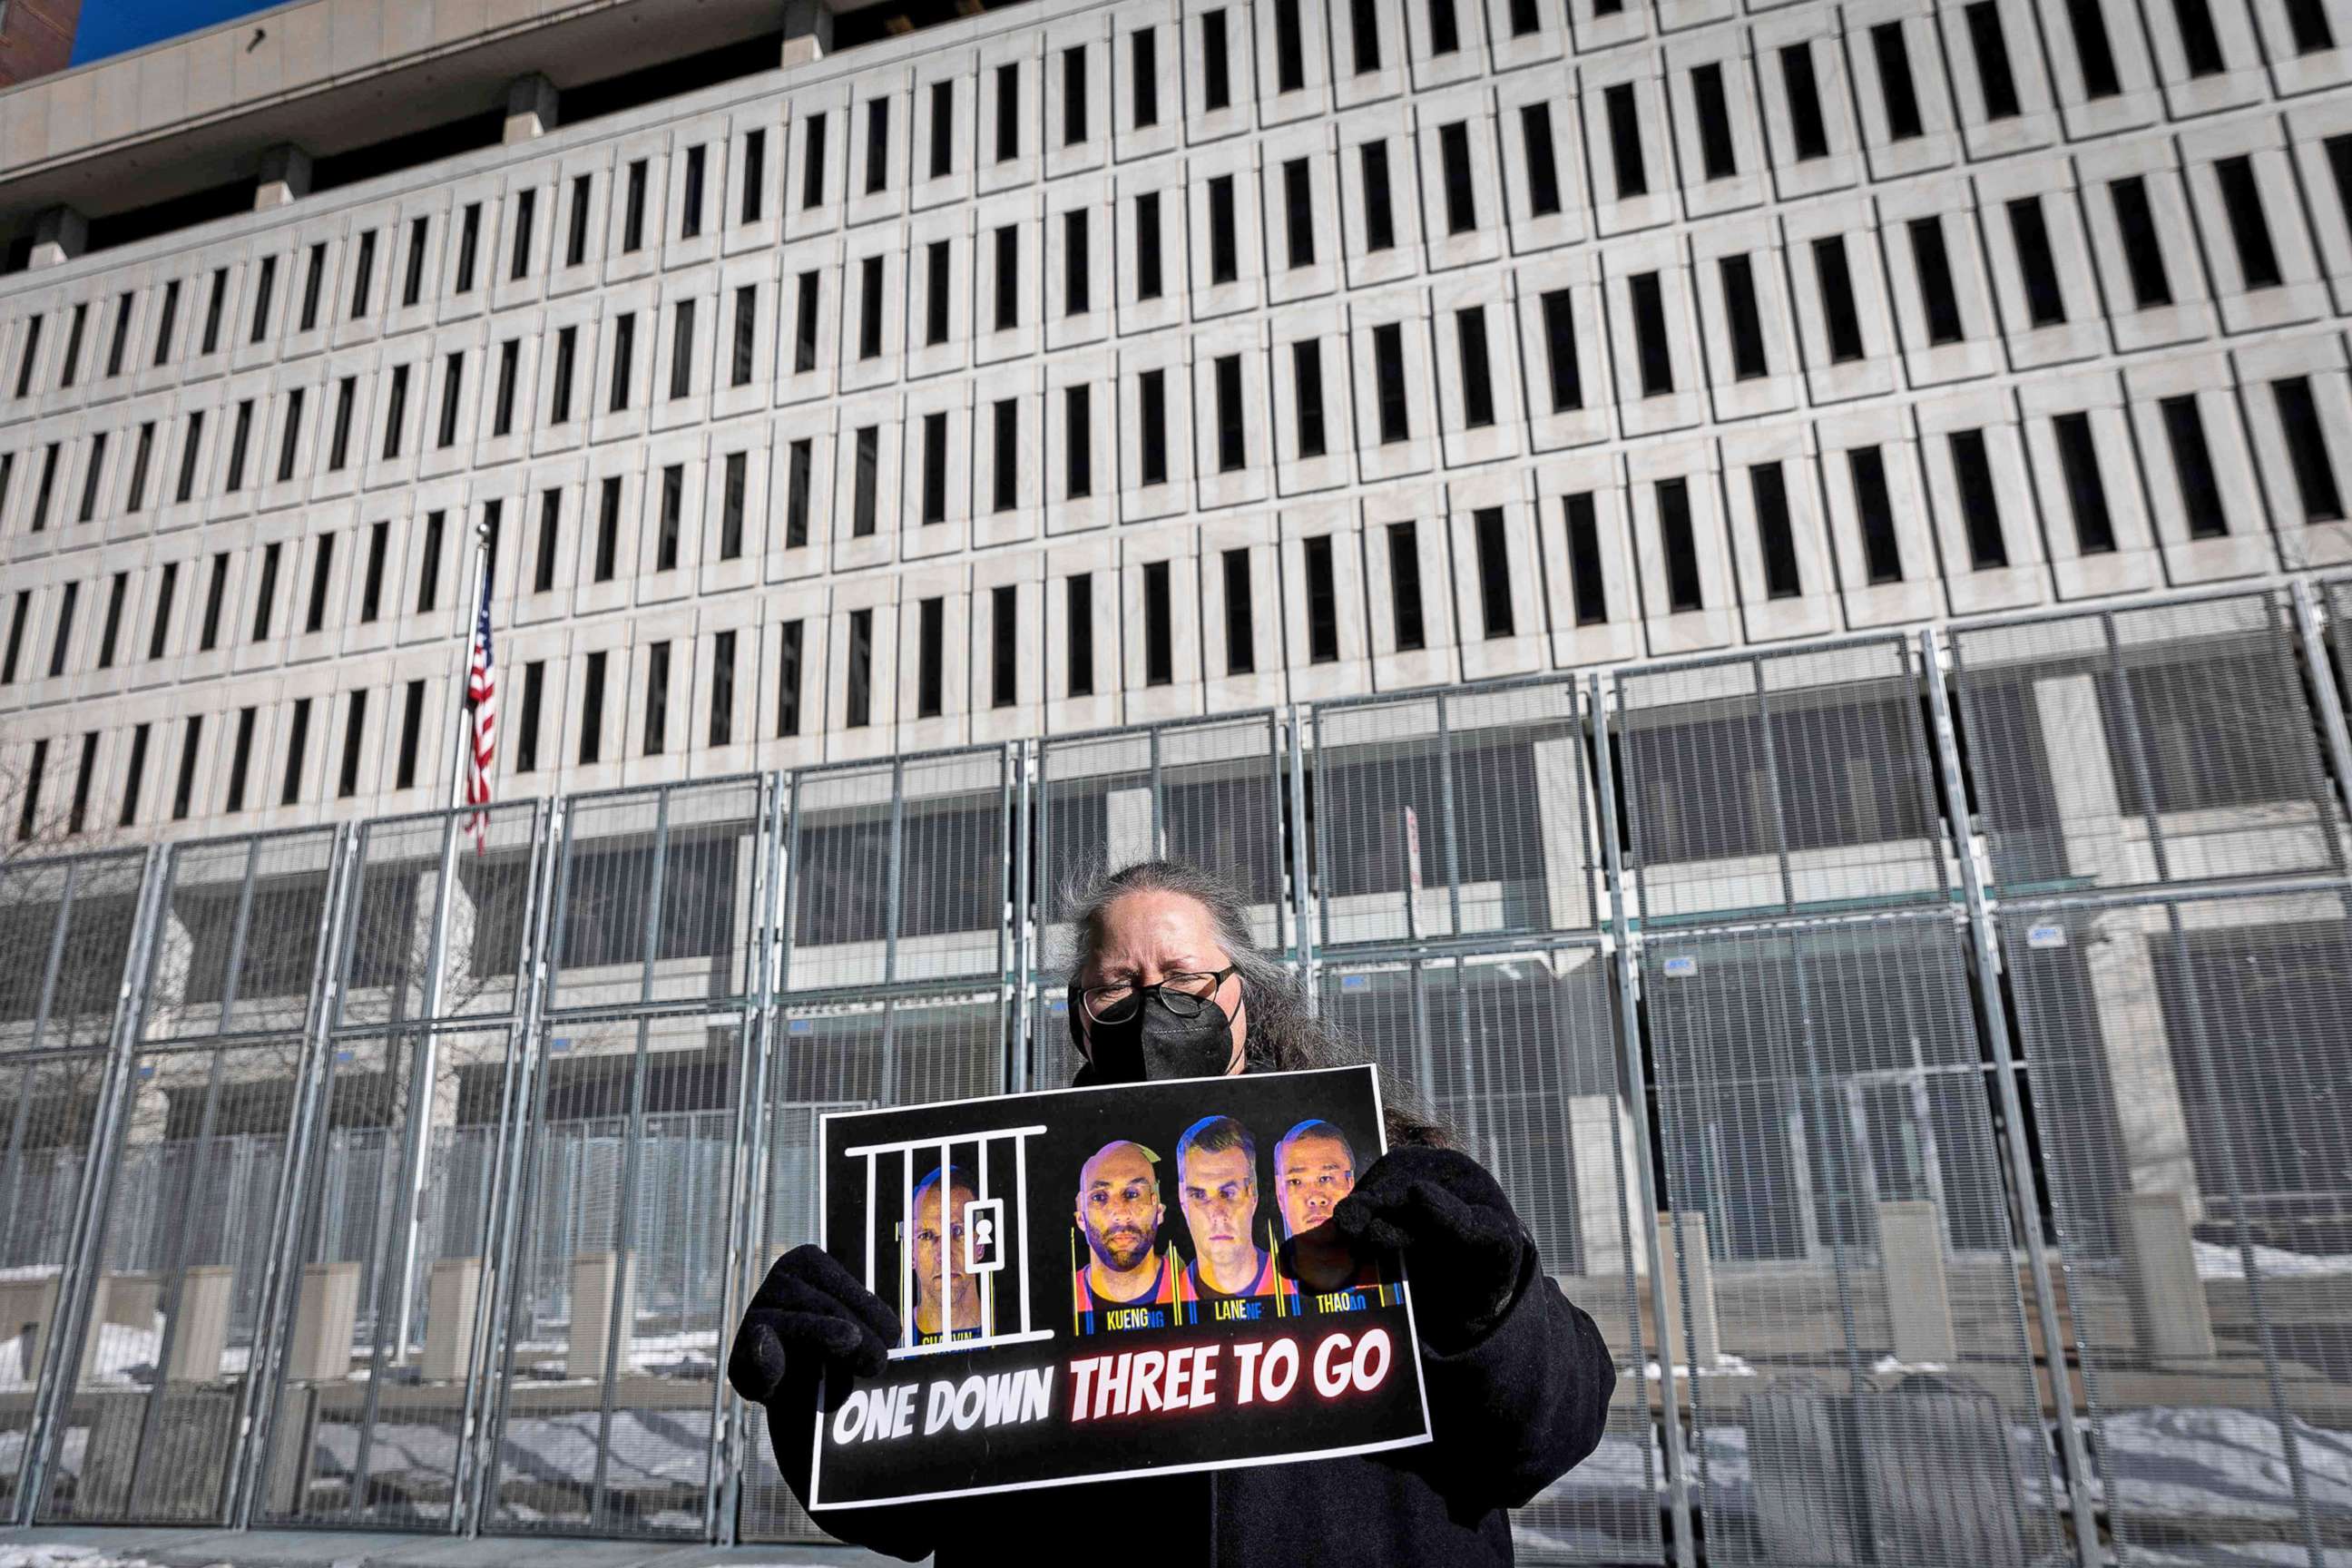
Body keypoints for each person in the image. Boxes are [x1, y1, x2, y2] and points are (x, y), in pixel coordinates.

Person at [729, 858, 1617, 1566]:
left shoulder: (1384, 1174)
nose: (1155, 1002)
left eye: (1184, 974)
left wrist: (1492, 1305)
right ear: (1081, 1019)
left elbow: (1548, 1434)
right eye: (1119, 983)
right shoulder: (999, 1205)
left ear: (1245, 994)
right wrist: (830, 1402)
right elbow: (908, 1512)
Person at [1273, 1118, 1396, 1314]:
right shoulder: (1257, 1289)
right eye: (1296, 1181)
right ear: (1280, 1196)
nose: (1315, 1197)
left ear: (1350, 1185)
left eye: (1326, 1178)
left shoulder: (1395, 1277)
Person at [1172, 1114, 1282, 1318]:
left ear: (1253, 1194)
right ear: (1182, 1200)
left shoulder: (1301, 1287)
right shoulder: (1162, 1304)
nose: (1217, 1214)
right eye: (1199, 1195)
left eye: (1228, 1193)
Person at [1073, 1138, 1181, 1333]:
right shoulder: (1058, 1302)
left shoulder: (1195, 1289)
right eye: (1099, 1197)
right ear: (1081, 1218)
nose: (1120, 1214)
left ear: (1159, 1210)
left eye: (1132, 1194)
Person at [907, 1163, 984, 1346]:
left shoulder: (1014, 1327)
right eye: (926, 1235)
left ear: (980, 1244)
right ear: (911, 1252)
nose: (944, 1256)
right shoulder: (892, 1340)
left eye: (957, 1231)